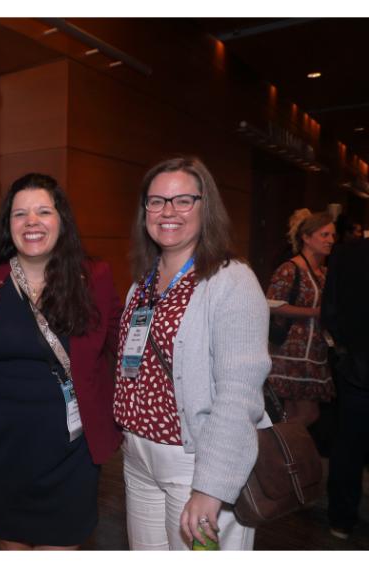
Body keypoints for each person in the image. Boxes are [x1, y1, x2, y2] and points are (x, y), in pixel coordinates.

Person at [0, 173, 122, 550]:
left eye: (43, 211)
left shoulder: (94, 276)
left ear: (62, 219)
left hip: (71, 450)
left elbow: (123, 346)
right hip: (0, 447)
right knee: (10, 547)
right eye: (20, 213)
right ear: (7, 224)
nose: (31, 222)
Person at [114, 156, 270, 550]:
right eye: (156, 201)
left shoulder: (231, 280)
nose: (168, 212)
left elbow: (239, 393)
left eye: (183, 200)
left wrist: (211, 487)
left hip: (197, 461)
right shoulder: (143, 282)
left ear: (206, 207)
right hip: (139, 456)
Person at [266, 209, 335, 426]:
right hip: (290, 351)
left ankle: (280, 445)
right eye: (324, 235)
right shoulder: (290, 269)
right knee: (308, 414)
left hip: (315, 351)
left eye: (333, 235)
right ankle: (274, 443)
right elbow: (272, 305)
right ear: (306, 237)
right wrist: (314, 313)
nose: (330, 240)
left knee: (291, 414)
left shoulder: (325, 273)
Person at [321, 232, 369, 539]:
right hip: (356, 365)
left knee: (349, 442)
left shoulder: (346, 253)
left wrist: (345, 349)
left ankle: (341, 519)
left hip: (356, 366)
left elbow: (330, 311)